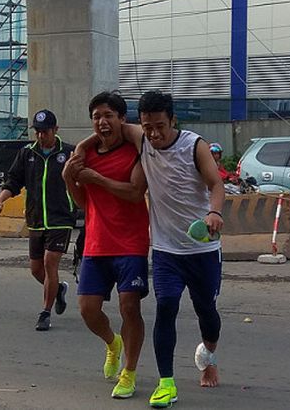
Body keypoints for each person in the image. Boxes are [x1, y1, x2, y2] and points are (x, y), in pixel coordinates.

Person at [85, 90, 225, 407]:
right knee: (167, 308)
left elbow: (216, 184)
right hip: (165, 251)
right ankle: (166, 383)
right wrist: (79, 153)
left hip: (202, 250)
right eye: (147, 126)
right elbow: (105, 129)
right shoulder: (142, 139)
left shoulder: (194, 145)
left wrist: (214, 212)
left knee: (207, 313)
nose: (154, 133)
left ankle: (208, 354)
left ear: (173, 120)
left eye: (160, 125)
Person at [63, 91, 150, 400]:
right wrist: (68, 179)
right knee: (87, 309)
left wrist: (94, 177)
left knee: (130, 306)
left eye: (108, 115)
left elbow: (135, 193)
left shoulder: (134, 151)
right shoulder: (84, 156)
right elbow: (84, 202)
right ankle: (113, 343)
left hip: (131, 243)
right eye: (96, 116)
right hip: (96, 243)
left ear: (121, 119)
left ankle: (129, 371)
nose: (102, 122)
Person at [0, 109, 76, 332]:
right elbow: (13, 182)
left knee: (50, 263)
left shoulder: (69, 153)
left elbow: (83, 181)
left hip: (60, 219)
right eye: (37, 132)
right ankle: (57, 291)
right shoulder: (27, 153)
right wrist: (0, 201)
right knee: (36, 269)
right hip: (36, 218)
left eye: (44, 132)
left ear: (55, 130)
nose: (40, 136)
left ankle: (45, 313)